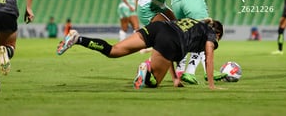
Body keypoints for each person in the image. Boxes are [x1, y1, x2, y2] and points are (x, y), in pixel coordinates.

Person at [57, 18, 225, 90]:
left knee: (113, 51)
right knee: (152, 84)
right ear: (217, 35)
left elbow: (171, 55)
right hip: (169, 41)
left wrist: (175, 79)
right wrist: (211, 85)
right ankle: (146, 70)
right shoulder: (210, 33)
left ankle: (77, 39)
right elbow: (209, 58)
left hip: (158, 27)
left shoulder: (194, 24)